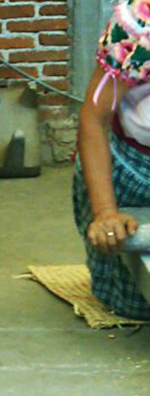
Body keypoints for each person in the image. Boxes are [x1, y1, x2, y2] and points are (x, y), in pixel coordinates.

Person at [73, 0, 150, 320]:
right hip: (133, 170)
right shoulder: (139, 26)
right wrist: (106, 211)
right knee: (136, 306)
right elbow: (94, 117)